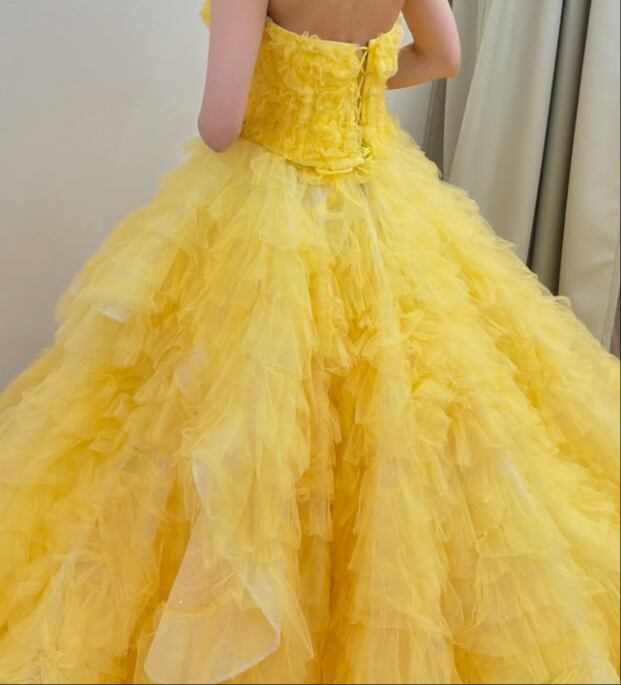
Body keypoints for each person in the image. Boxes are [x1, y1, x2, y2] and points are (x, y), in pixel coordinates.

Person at [0, 0, 619, 683]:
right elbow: (443, 57)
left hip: (269, 212)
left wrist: (296, 81)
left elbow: (218, 125)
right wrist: (345, 80)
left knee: (224, 424)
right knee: (402, 412)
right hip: (376, 197)